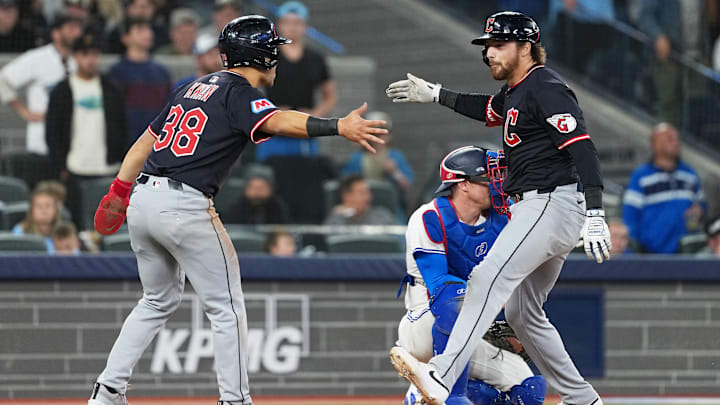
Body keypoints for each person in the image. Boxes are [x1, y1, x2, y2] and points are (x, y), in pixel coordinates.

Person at [88, 15, 386, 405]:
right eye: (273, 51)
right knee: (226, 307)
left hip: (142, 198)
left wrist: (119, 190)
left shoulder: (190, 86)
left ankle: (108, 390)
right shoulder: (239, 92)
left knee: (156, 300)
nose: (277, 58)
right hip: (183, 203)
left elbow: (146, 142)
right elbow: (277, 120)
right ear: (260, 57)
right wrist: (336, 126)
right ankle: (235, 400)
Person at [385, 11, 610, 405]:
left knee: (486, 282)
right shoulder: (517, 90)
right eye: (487, 45)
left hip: (548, 201)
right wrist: (437, 94)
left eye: (499, 44)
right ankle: (582, 399)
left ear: (526, 47)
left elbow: (583, 148)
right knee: (524, 314)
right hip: (540, 207)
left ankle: (440, 375)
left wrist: (596, 212)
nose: (490, 52)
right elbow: (488, 108)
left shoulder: (546, 86)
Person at [397, 146, 545, 405]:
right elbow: (438, 286)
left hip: (470, 324)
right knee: (454, 297)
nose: (499, 185)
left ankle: (421, 396)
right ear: (463, 184)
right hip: (424, 322)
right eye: (489, 179)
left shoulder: (501, 218)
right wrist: (487, 303)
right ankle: (449, 393)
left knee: (530, 388)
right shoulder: (429, 216)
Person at [45, 30, 126, 227]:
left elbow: (122, 127)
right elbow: (52, 132)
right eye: (85, 54)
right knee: (78, 222)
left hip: (108, 167)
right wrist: (61, 165)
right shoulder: (62, 91)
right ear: (76, 57)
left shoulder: (112, 89)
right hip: (75, 168)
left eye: (94, 54)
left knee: (110, 222)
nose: (90, 60)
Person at [256, 1, 337, 161]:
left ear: (305, 26)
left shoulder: (316, 59)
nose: (292, 27)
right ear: (280, 25)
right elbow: (251, 87)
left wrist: (316, 115)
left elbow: (331, 95)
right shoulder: (268, 55)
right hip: (274, 129)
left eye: (297, 23)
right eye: (288, 22)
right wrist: (269, 110)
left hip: (304, 129)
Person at [0, 13, 82, 155]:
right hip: (41, 139)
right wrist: (24, 111)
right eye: (70, 28)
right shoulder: (38, 57)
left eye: (78, 29)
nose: (76, 33)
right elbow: (3, 80)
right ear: (55, 33)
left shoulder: (79, 60)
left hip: (73, 140)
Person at [622, 123, 706, 254]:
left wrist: (700, 209)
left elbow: (702, 205)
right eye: (670, 139)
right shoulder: (641, 176)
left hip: (687, 254)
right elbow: (630, 217)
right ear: (656, 144)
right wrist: (634, 253)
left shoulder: (690, 173)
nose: (676, 143)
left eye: (677, 139)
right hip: (651, 256)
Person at [108, 17, 171, 146]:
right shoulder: (116, 72)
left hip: (155, 146)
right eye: (140, 30)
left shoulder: (161, 72)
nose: (147, 34)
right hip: (125, 145)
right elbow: (113, 116)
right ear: (126, 38)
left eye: (148, 29)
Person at [341, 111, 414, 216]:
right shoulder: (357, 158)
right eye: (374, 134)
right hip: (363, 210)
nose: (378, 138)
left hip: (391, 211)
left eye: (382, 134)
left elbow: (407, 186)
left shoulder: (396, 156)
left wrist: (395, 172)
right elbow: (347, 186)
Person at [324, 175, 397, 226]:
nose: (368, 197)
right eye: (362, 193)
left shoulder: (382, 216)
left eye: (368, 192)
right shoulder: (337, 218)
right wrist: (346, 214)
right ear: (347, 196)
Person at [12, 182, 64, 254]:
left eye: (48, 206)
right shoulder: (21, 230)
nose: (44, 210)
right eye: (39, 206)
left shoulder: (64, 232)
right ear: (31, 210)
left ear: (56, 210)